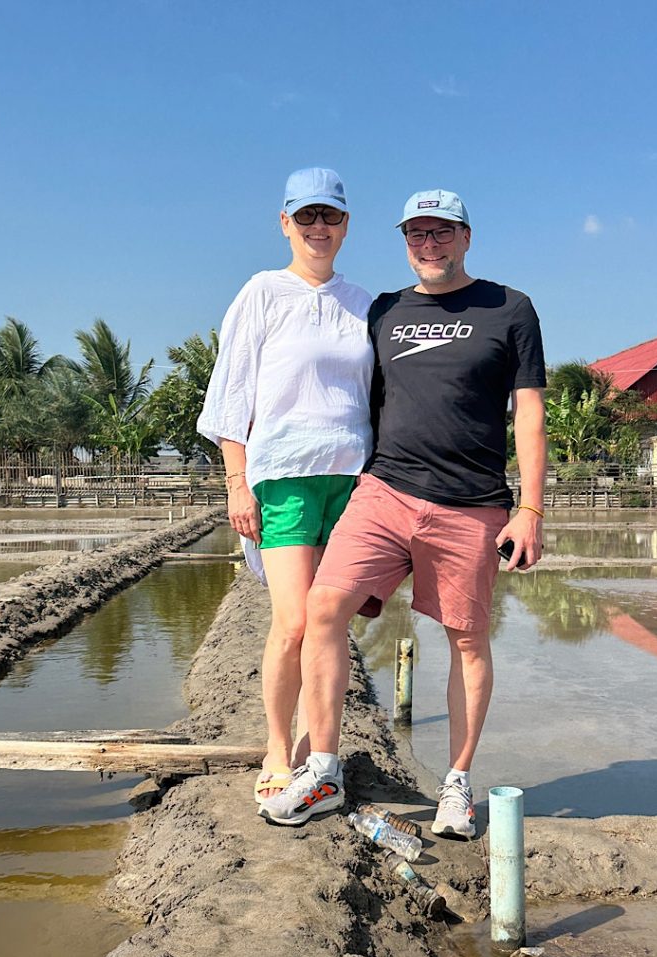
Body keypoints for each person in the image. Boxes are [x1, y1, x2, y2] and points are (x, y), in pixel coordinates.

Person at [260, 189, 547, 836]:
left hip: (471, 502)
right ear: (405, 242)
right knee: (323, 609)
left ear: (466, 237)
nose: (429, 244)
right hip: (385, 490)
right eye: (417, 233)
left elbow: (529, 412)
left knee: (467, 638)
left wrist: (530, 507)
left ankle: (456, 783)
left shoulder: (510, 308)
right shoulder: (385, 310)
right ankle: (323, 770)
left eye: (442, 232)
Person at [197, 168, 373, 806]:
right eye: (306, 216)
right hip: (285, 478)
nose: (318, 227)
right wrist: (236, 482)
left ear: (346, 225)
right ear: (285, 224)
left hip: (351, 480)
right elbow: (231, 395)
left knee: (333, 624)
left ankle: (318, 749)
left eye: (330, 216)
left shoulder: (365, 304)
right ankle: (277, 746)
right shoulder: (262, 293)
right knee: (294, 622)